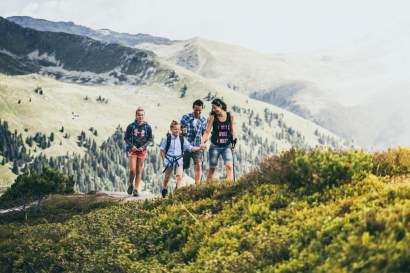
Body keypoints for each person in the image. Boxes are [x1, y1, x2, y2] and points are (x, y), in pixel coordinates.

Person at [159, 120, 204, 198]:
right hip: (169, 159)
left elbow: (190, 147)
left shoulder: (182, 138)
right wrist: (164, 160)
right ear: (171, 129)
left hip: (179, 159)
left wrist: (199, 148)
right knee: (167, 178)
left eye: (179, 129)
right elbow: (162, 150)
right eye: (175, 129)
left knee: (179, 176)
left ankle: (178, 192)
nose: (177, 131)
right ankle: (165, 188)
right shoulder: (167, 138)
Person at [201, 98, 237, 182]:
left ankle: (230, 186)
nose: (213, 110)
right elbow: (207, 131)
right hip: (215, 146)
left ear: (220, 106)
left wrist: (234, 138)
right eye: (212, 108)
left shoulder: (230, 115)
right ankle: (207, 187)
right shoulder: (213, 117)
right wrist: (202, 142)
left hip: (227, 146)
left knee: (229, 166)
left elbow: (232, 129)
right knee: (212, 169)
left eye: (215, 107)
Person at [124, 107, 153, 197]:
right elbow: (126, 138)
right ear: (136, 116)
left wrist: (143, 147)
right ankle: (130, 184)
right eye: (139, 115)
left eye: (142, 115)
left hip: (142, 151)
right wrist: (131, 146)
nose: (140, 117)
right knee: (132, 170)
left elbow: (150, 139)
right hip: (132, 150)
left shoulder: (147, 127)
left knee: (139, 171)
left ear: (144, 116)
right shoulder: (131, 126)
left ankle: (136, 189)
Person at [180, 99, 208, 185]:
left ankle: (197, 185)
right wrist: (183, 132)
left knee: (198, 164)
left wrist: (204, 143)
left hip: (198, 146)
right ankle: (179, 185)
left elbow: (205, 134)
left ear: (202, 109)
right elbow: (180, 130)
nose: (198, 112)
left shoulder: (204, 120)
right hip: (186, 146)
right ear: (193, 108)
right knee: (182, 167)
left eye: (200, 110)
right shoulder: (185, 117)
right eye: (196, 110)